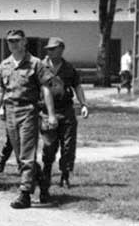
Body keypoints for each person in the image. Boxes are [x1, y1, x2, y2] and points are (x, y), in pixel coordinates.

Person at [0, 29, 56, 209]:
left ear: (24, 41)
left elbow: (46, 89)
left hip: (28, 111)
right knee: (20, 156)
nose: (13, 44)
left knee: (27, 154)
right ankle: (42, 181)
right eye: (10, 41)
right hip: (10, 111)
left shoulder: (36, 63)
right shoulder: (4, 65)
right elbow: (0, 90)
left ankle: (25, 193)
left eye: (17, 40)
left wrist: (51, 114)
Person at [40, 37, 90, 202]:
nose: (49, 51)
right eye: (48, 49)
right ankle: (46, 174)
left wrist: (83, 104)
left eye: (53, 48)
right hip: (47, 112)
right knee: (49, 145)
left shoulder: (69, 68)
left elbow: (77, 86)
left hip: (66, 111)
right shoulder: (41, 66)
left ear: (61, 49)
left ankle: (65, 174)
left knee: (68, 146)